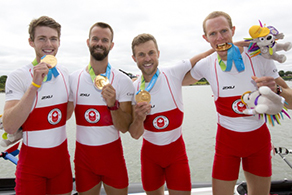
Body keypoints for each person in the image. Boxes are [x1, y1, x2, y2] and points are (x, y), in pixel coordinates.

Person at [184, 11, 292, 195]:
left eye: (224, 31)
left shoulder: (259, 57)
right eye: (213, 34)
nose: (220, 37)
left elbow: (290, 102)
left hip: (258, 143)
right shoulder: (207, 64)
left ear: (233, 30)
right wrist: (211, 50)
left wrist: (277, 91)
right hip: (227, 146)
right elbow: (176, 79)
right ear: (205, 38)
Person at [128, 33, 214, 195]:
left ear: (158, 53)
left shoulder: (173, 73)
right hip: (150, 158)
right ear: (134, 58)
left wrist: (239, 44)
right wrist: (139, 118)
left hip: (176, 156)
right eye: (141, 54)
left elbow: (204, 55)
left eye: (151, 53)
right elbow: (135, 134)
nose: (147, 58)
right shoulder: (133, 89)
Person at [2, 16, 72, 195]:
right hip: (32, 167)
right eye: (42, 38)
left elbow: (67, 115)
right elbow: (9, 126)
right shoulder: (18, 76)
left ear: (59, 41)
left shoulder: (64, 74)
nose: (48, 44)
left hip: (61, 165)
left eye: (53, 38)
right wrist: (34, 85)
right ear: (31, 42)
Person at [68, 22, 134, 195]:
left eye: (105, 40)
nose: (99, 43)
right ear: (88, 42)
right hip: (84, 161)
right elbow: (61, 115)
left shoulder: (123, 80)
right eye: (95, 39)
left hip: (112, 159)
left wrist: (113, 105)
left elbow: (125, 128)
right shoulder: (73, 79)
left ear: (111, 45)